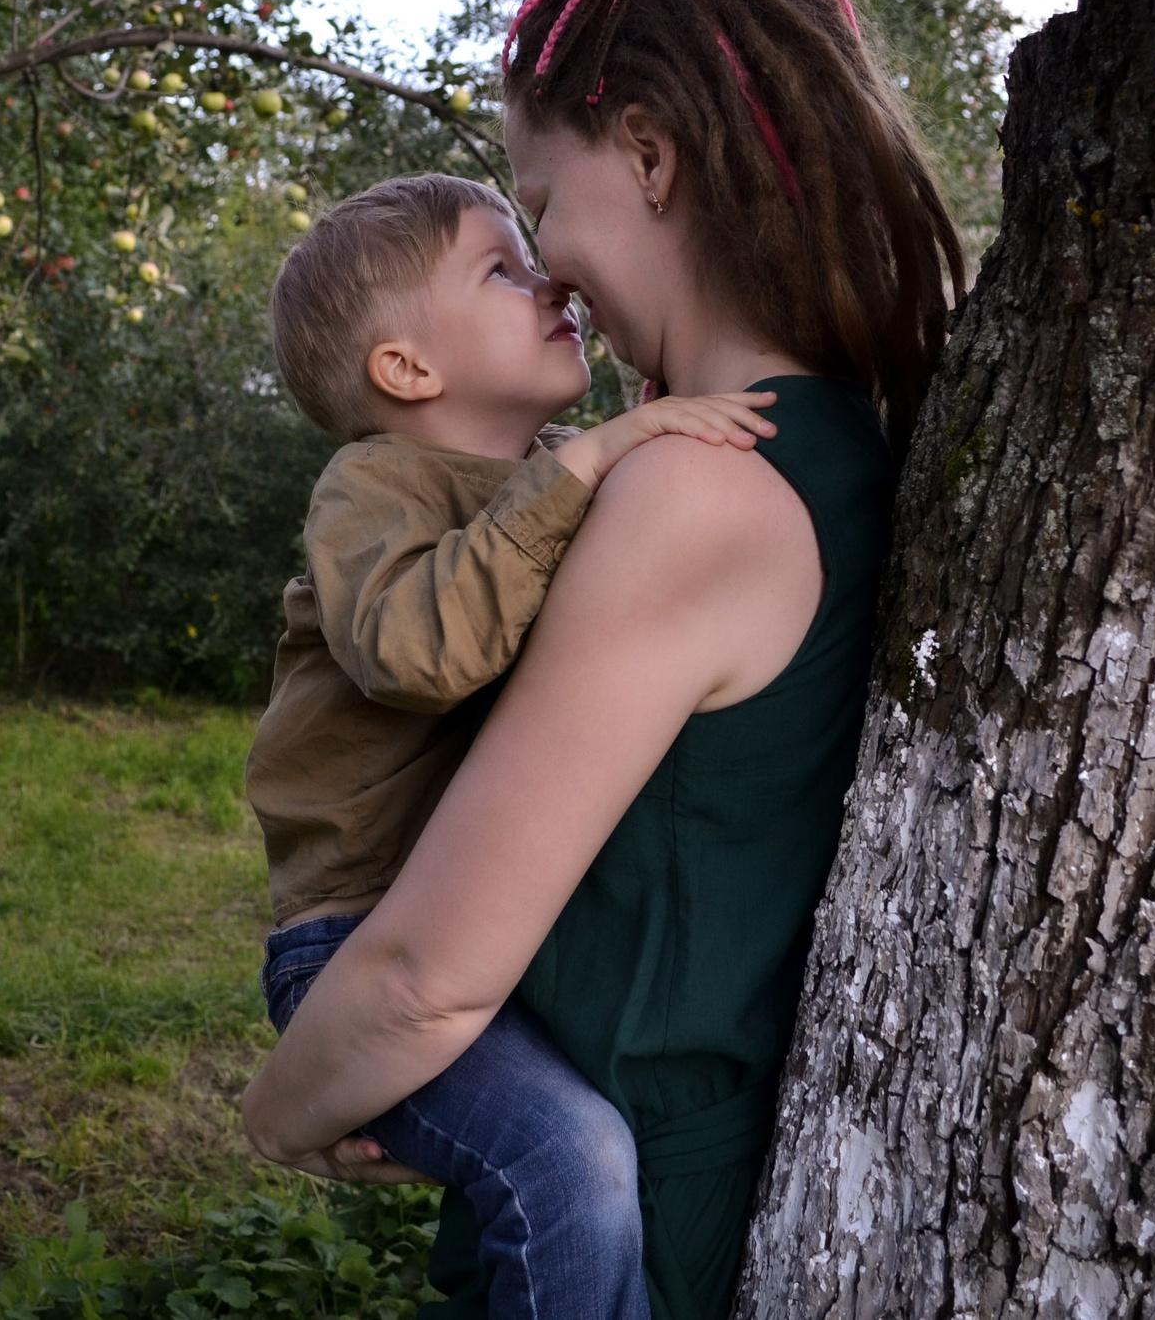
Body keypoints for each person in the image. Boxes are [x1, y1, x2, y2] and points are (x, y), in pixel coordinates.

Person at [241, 0, 964, 1318]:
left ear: (648, 155)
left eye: (543, 202)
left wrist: (282, 1114)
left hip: (639, 1222)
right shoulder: (829, 440)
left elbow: (423, 980)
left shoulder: (690, 490)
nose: (550, 262)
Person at [251, 170, 784, 1320]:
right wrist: (581, 467)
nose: (548, 280)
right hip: (355, 949)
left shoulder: (556, 467)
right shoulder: (373, 487)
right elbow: (417, 650)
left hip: (484, 937)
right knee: (569, 1158)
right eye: (500, 269)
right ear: (407, 370)